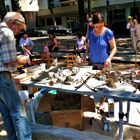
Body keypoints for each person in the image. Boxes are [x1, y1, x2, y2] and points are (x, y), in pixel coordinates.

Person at [0, 12, 32, 140]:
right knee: (18, 111)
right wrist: (21, 60)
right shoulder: (7, 33)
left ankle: (12, 138)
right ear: (14, 24)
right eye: (19, 29)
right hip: (2, 76)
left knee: (6, 111)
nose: (19, 32)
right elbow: (8, 60)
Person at [85, 12, 117, 110]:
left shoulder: (108, 32)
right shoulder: (90, 32)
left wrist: (109, 58)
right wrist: (85, 54)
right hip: (93, 63)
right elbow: (88, 47)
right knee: (92, 83)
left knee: (103, 85)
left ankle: (102, 102)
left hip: (105, 64)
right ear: (92, 24)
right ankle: (92, 102)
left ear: (103, 23)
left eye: (101, 25)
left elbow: (114, 48)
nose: (99, 28)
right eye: (96, 26)